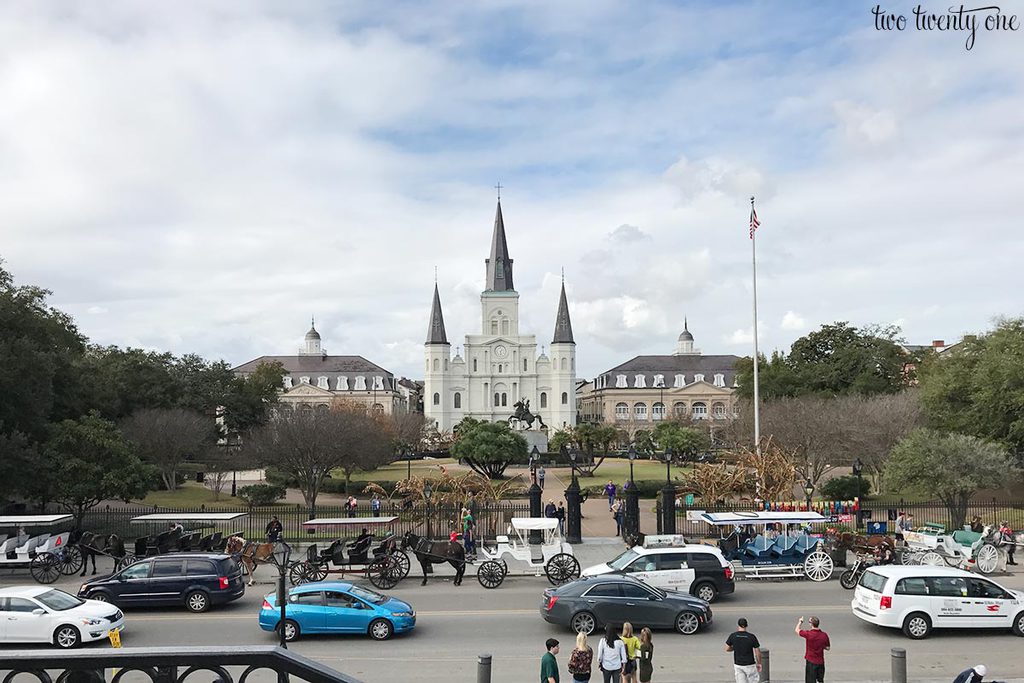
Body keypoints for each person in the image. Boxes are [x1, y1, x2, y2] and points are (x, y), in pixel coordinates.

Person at [725, 617, 762, 683]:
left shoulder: (733, 636)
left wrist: (734, 648)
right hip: (750, 665)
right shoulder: (751, 637)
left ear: (738, 625)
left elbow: (727, 648)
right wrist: (759, 663)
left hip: (738, 665)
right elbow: (757, 652)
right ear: (746, 625)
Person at [795, 616, 830, 683]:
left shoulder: (809, 634)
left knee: (810, 680)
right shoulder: (824, 635)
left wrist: (800, 622)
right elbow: (828, 648)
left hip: (811, 662)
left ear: (811, 624)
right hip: (820, 662)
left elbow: (797, 630)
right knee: (820, 680)